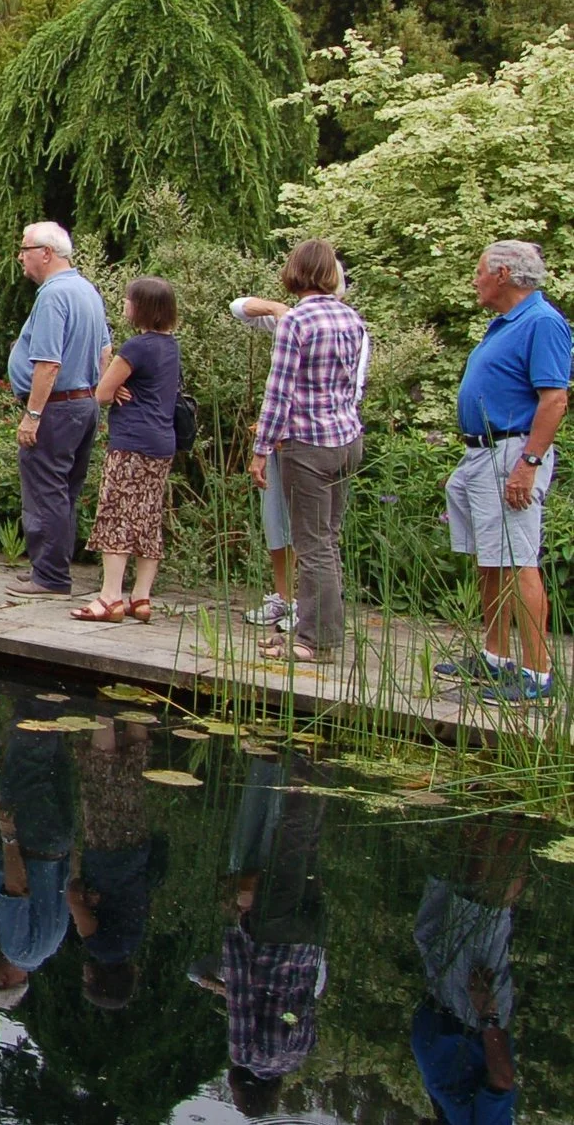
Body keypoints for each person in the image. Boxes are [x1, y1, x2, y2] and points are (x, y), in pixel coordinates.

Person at [437, 241, 567, 704]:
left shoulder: (543, 323)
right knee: (490, 558)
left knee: (518, 559)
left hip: (512, 454)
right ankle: (495, 658)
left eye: (479, 272)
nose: (474, 281)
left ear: (503, 274)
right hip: (483, 454)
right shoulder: (506, 324)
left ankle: (537, 674)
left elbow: (554, 400)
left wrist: (527, 465)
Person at [247, 239, 369, 661]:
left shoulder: (295, 322)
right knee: (328, 541)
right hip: (347, 439)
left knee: (312, 543)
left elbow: (278, 393)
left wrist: (261, 449)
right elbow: (352, 385)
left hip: (309, 445)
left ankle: (314, 642)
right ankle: (317, 632)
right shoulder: (352, 319)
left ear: (295, 272)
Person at [192, 753, 328, 1116]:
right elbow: (239, 989)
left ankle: (324, 769)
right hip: (273, 938)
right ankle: (307, 759)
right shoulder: (246, 1055)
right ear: (243, 1088)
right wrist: (236, 931)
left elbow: (307, 1003)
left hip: (310, 943)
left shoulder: (300, 1056)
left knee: (309, 848)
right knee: (291, 840)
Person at [7, 222, 110, 597]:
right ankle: (50, 565)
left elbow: (48, 363)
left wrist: (32, 414)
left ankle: (50, 577)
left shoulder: (53, 296)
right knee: (65, 489)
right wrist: (93, 400)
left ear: (46, 253)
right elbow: (104, 353)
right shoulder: (86, 290)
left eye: (25, 248)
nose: (21, 256)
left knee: (45, 489)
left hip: (57, 407)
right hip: (82, 404)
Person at [76, 277, 183, 623]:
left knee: (116, 513)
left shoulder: (137, 347)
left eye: (128, 300)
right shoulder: (171, 346)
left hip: (131, 442)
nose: (124, 305)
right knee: (148, 517)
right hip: (163, 441)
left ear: (143, 308)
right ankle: (141, 597)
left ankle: (109, 598)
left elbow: (103, 393)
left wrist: (113, 382)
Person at [411, 825, 525, 1125]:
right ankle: (513, 815)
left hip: (443, 998)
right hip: (471, 1012)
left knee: (455, 893)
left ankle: (487, 808)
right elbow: (502, 1081)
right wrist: (487, 1014)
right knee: (482, 903)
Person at [0, 696, 76, 1011]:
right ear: (5, 981)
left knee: (52, 749)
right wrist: (8, 835)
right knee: (30, 749)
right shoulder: (17, 949)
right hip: (31, 839)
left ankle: (56, 689)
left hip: (56, 843)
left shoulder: (47, 949)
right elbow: (17, 890)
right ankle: (38, 685)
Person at [68, 716, 157, 1011]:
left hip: (136, 856)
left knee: (132, 779)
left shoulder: (132, 942)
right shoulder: (98, 946)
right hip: (105, 859)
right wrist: (78, 888)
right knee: (100, 777)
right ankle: (103, 713)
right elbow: (73, 899)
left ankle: (137, 710)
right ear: (96, 978)